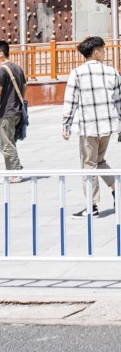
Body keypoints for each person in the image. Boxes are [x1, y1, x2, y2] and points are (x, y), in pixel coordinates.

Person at [62, 35, 121, 217]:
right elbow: (119, 101)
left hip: (88, 127)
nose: (104, 53)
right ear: (96, 52)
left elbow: (70, 101)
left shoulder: (77, 73)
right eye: (103, 50)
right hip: (108, 126)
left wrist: (66, 125)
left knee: (88, 164)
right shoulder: (112, 72)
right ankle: (116, 190)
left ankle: (92, 205)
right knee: (99, 161)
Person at [0, 39, 27, 182]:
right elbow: (25, 86)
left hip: (7, 112)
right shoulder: (17, 67)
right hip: (16, 111)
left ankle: (15, 172)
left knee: (6, 143)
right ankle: (13, 169)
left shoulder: (2, 69)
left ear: (1, 53)